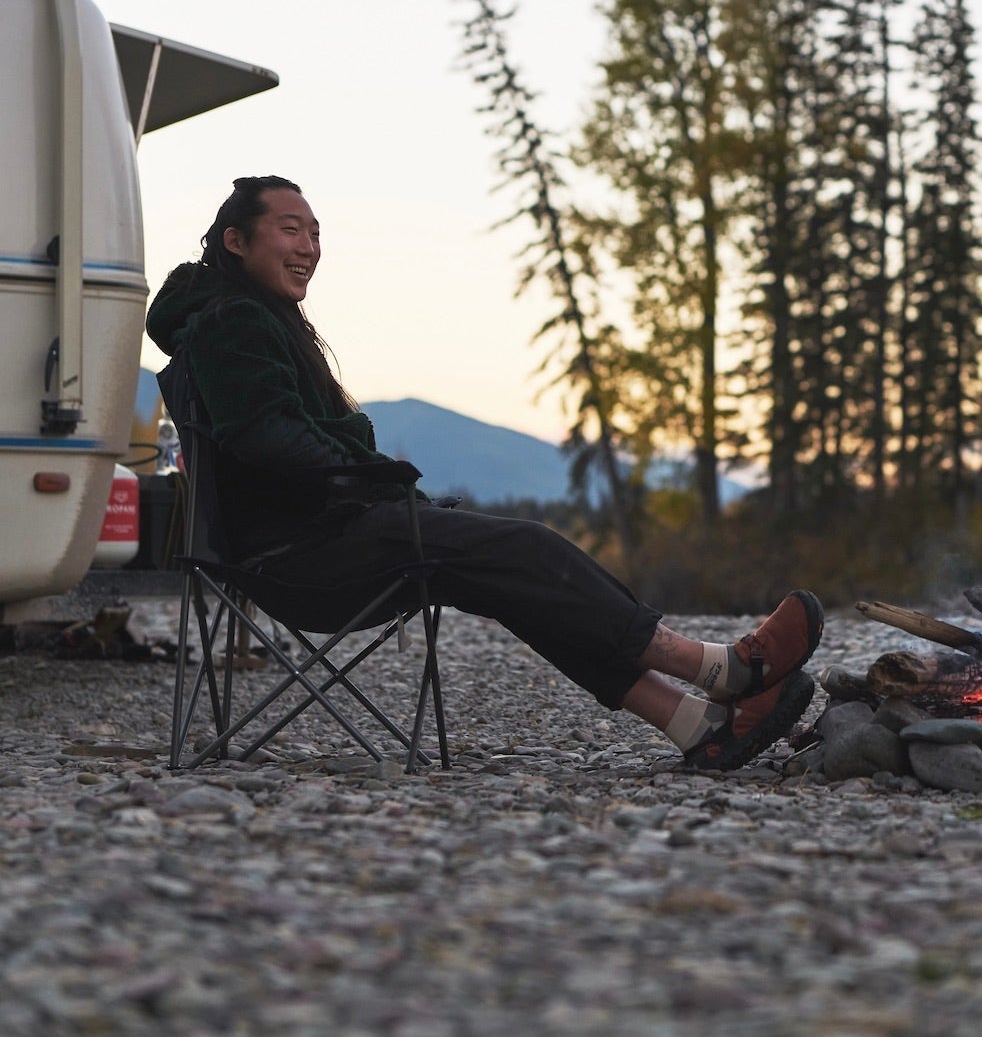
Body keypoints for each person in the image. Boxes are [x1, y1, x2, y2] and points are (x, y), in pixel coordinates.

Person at [146, 175, 822, 771]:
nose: (309, 246)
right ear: (235, 241)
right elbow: (266, 438)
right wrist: (374, 473)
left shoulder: (245, 318)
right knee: (524, 548)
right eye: (290, 229)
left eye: (316, 233)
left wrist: (380, 485)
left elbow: (278, 437)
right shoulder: (232, 321)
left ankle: (696, 726)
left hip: (307, 547)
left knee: (511, 576)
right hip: (300, 559)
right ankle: (721, 670)